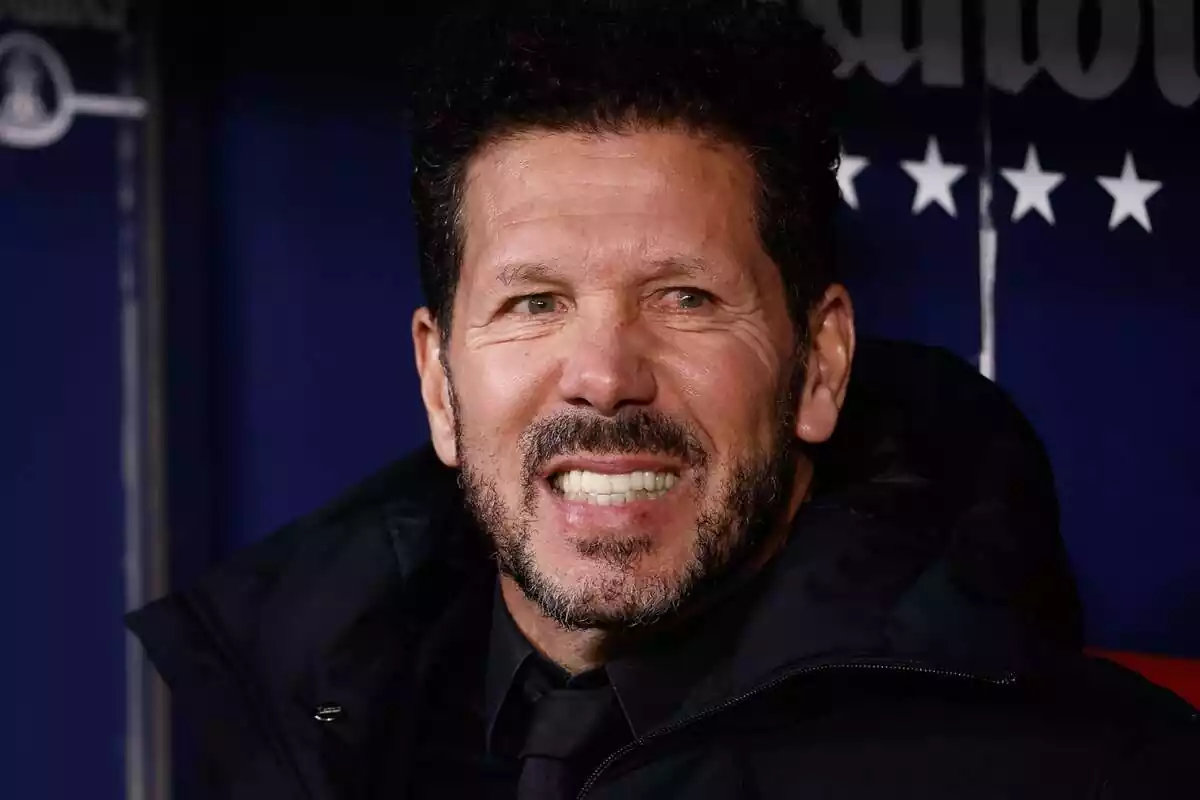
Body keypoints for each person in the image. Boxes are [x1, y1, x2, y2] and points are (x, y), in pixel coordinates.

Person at [128, 2, 1198, 798]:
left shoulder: (1093, 772)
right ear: (438, 381)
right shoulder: (288, 728)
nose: (603, 373)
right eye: (535, 301)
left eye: (684, 297)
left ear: (818, 364)